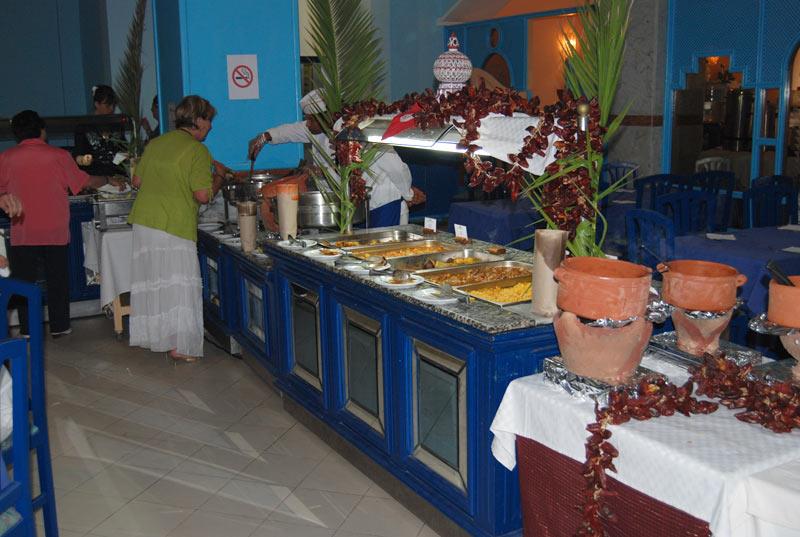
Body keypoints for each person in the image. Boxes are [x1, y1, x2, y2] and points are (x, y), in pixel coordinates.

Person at [0, 110, 124, 337]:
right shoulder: (58, 155)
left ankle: (28, 329)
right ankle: (60, 326)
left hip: (23, 229)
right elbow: (84, 182)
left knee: (24, 283)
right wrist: (108, 179)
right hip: (53, 228)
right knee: (57, 280)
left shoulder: (6, 158)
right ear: (41, 130)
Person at [128, 95, 225, 363]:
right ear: (197, 121)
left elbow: (137, 181)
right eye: (208, 120)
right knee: (180, 285)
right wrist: (219, 177)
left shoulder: (156, 143)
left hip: (145, 222)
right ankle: (179, 345)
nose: (210, 126)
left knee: (155, 281)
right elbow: (203, 195)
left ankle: (156, 337)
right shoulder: (197, 150)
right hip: (174, 224)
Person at [247, 90, 425, 226]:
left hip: (384, 201)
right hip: (357, 205)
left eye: (311, 120)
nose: (307, 124)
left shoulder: (359, 131)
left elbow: (395, 167)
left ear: (326, 117)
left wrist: (408, 193)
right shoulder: (317, 130)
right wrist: (264, 137)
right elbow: (290, 131)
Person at [73, 84, 127, 177]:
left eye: (113, 105)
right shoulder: (83, 126)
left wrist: (117, 162)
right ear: (97, 104)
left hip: (117, 175)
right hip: (94, 176)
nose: (111, 109)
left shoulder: (117, 125)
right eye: (108, 105)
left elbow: (123, 149)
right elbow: (79, 155)